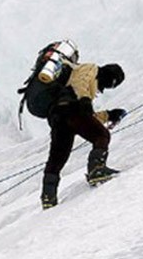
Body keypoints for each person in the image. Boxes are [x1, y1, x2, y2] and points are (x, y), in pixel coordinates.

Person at [40, 62, 126, 209]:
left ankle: (48, 196)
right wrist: (86, 100)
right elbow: (80, 82)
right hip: (71, 109)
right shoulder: (91, 69)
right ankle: (96, 170)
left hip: (58, 116)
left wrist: (109, 115)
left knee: (58, 156)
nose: (105, 89)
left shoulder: (79, 90)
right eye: (111, 84)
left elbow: (88, 119)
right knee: (101, 135)